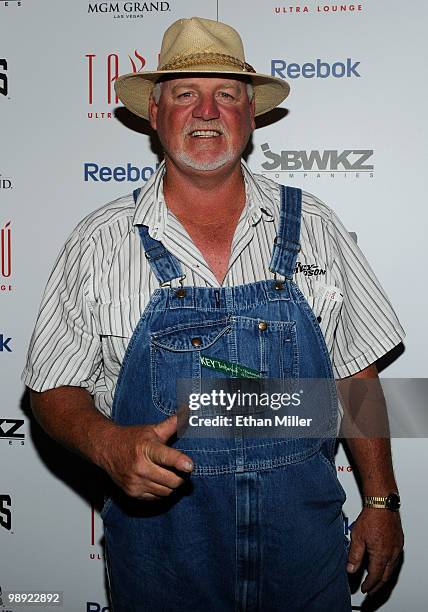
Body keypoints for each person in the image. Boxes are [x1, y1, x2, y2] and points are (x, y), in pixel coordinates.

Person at [23, 16, 405, 612]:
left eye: (226, 94)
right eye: (185, 94)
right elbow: (50, 388)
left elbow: (356, 377)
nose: (207, 110)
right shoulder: (100, 241)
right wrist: (107, 444)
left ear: (251, 116)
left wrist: (380, 503)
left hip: (304, 558)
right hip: (163, 563)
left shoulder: (318, 229)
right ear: (154, 113)